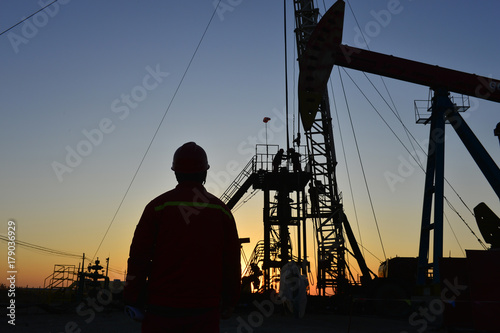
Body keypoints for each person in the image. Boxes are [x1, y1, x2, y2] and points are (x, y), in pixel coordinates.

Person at [123, 142, 241, 332]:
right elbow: (232, 261)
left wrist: (132, 298)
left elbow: (139, 257)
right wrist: (230, 301)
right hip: (205, 312)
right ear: (205, 173)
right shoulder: (221, 211)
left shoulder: (157, 207)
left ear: (176, 172)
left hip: (161, 310)